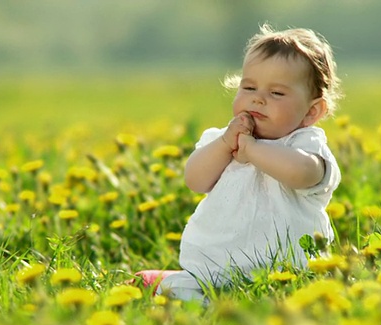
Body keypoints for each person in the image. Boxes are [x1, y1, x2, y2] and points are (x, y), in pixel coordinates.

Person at [136, 24, 342, 302]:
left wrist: (254, 151)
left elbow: (304, 174)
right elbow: (195, 181)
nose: (258, 98)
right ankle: (203, 299)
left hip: (287, 272)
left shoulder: (305, 145)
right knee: (178, 288)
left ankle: (215, 304)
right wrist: (225, 145)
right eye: (249, 87)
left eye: (277, 93)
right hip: (214, 268)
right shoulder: (224, 139)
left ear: (311, 111)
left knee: (299, 300)